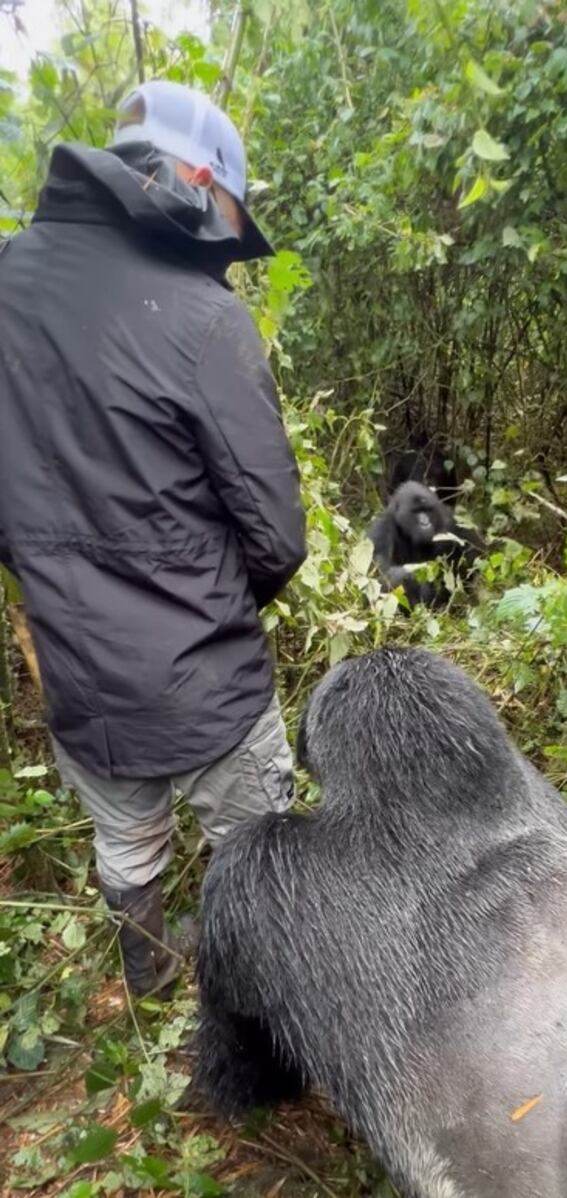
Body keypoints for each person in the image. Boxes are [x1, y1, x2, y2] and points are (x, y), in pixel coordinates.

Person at [0, 81, 307, 997]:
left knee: (126, 845)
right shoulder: (204, 317)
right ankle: (264, 1028)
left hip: (81, 676)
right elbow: (277, 536)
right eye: (222, 210)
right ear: (187, 180)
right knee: (258, 853)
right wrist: (202, 602)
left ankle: (156, 999)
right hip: (210, 675)